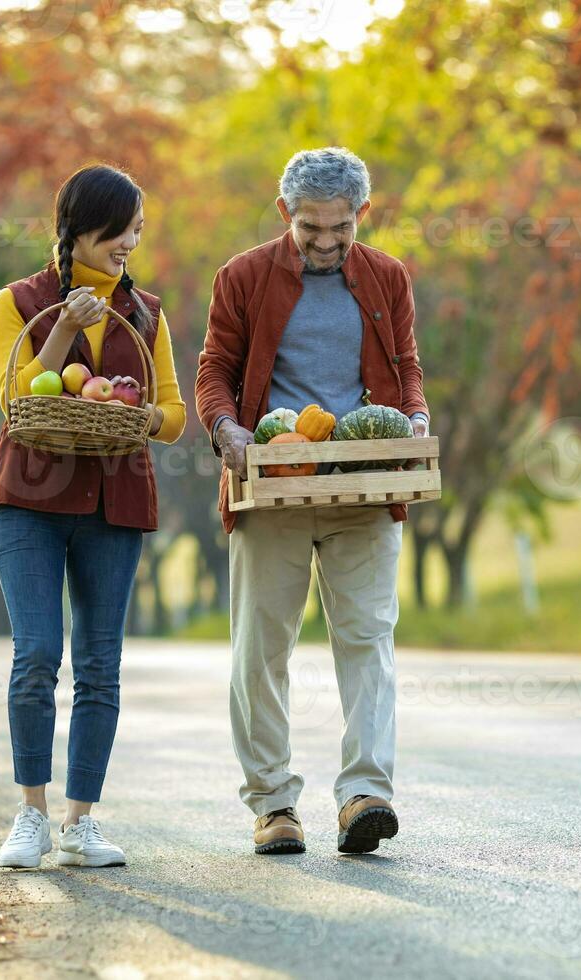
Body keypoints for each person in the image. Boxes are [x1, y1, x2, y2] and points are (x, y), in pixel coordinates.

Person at [195, 147, 431, 855]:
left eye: (340, 230)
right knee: (261, 649)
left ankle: (365, 794)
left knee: (368, 641)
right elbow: (216, 368)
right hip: (273, 486)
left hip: (365, 483)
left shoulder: (387, 277)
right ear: (284, 215)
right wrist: (226, 426)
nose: (326, 245)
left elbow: (407, 366)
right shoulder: (242, 276)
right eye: (309, 230)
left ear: (363, 213)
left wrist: (414, 418)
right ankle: (273, 805)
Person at [0, 164, 186, 869]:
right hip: (29, 503)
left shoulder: (146, 311)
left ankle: (80, 823)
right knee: (37, 653)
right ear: (80, 229)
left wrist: (135, 412)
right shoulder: (17, 304)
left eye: (137, 228)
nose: (132, 239)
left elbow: (174, 417)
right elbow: (20, 398)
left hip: (114, 500)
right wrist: (65, 330)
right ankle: (30, 815)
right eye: (121, 227)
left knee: (100, 665)